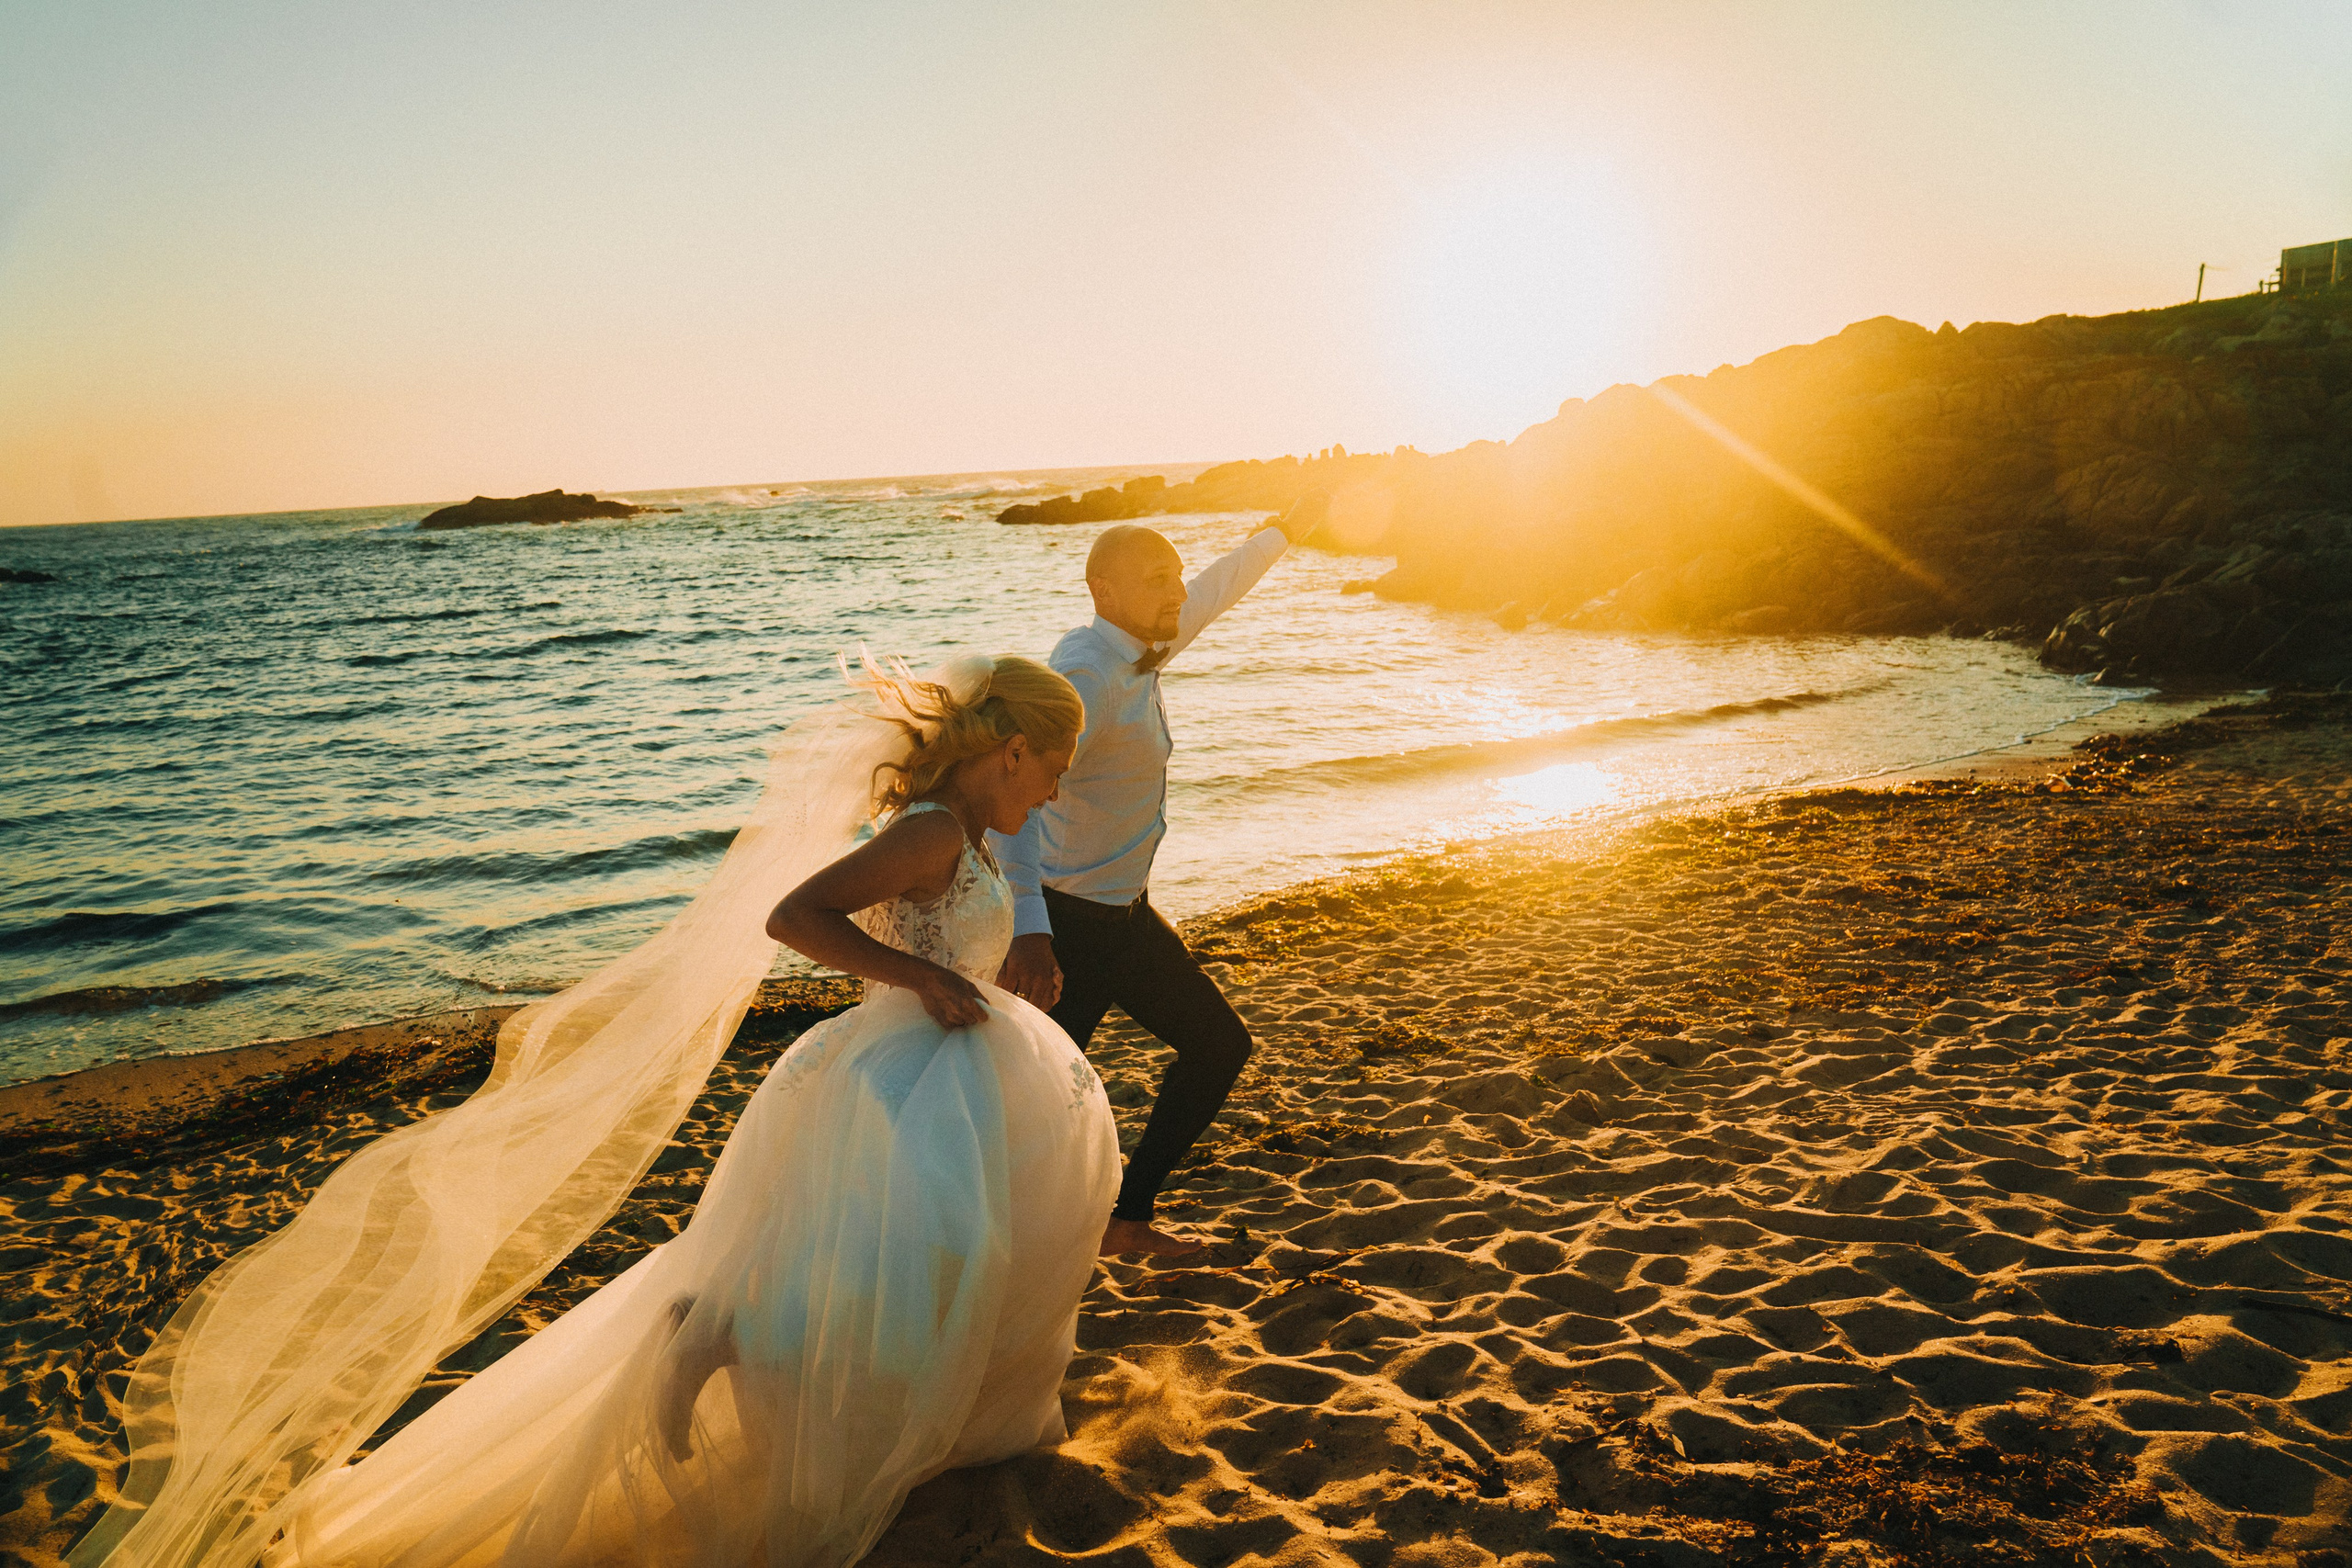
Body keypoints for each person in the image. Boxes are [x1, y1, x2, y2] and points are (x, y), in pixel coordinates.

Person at [74, 655, 1118, 1568]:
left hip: (951, 1074)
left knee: (929, 1264)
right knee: (937, 1255)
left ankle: (792, 1367)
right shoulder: (934, 829)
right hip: (902, 1078)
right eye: (1059, 765)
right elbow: (793, 915)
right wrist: (918, 979)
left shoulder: (970, 836)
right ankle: (710, 1340)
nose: (1062, 787)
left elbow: (947, 931)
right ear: (1013, 751)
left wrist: (985, 968)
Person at [992, 494, 1325, 1257]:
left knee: (1217, 1047)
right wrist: (1031, 929)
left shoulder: (1145, 642)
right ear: (1104, 590)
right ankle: (983, 1246)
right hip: (1070, 927)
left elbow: (1211, 592)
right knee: (1025, 1106)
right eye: (1156, 577)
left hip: (1125, 919)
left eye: (1175, 572)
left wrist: (1281, 529)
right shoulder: (1085, 673)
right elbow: (1014, 802)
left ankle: (1126, 1218)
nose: (1176, 589)